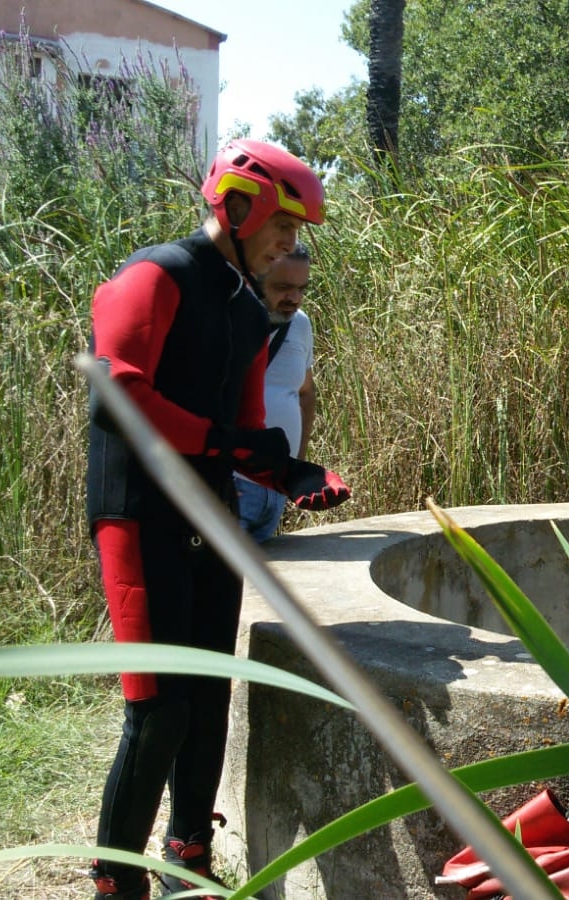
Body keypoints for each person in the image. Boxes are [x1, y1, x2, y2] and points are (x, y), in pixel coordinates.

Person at [85, 139, 352, 900]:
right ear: (239, 205)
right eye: (284, 226)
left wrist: (289, 471)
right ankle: (117, 881)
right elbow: (118, 395)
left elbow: (239, 431)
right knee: (159, 710)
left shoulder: (247, 309)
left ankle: (189, 860)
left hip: (212, 518)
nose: (290, 245)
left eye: (296, 235)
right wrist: (223, 443)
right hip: (138, 515)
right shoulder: (155, 275)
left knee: (209, 699)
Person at [235, 241, 318, 543]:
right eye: (283, 287)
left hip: (276, 488)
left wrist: (297, 467)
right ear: (256, 278)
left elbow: (305, 393)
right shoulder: (228, 322)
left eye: (301, 289)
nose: (294, 298)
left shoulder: (300, 325)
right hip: (233, 487)